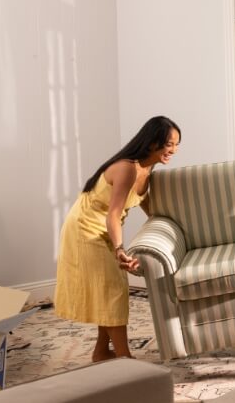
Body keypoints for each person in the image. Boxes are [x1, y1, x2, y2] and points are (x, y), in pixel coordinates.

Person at [54, 116, 181, 362]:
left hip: (106, 230)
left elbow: (151, 210)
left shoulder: (148, 169)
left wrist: (175, 227)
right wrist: (120, 249)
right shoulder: (126, 168)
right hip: (85, 229)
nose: (173, 150)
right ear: (152, 141)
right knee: (113, 290)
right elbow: (113, 214)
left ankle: (102, 352)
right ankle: (125, 358)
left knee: (109, 290)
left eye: (176, 144)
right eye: (168, 144)